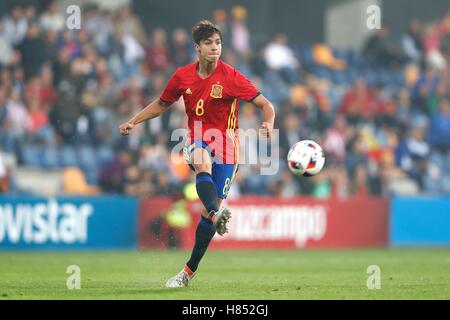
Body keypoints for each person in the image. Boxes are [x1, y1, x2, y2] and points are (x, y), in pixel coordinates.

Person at [119, 20, 275, 287]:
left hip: (228, 146)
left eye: (218, 43)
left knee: (206, 214)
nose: (215, 48)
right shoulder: (182, 76)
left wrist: (268, 122)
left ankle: (188, 272)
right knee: (201, 162)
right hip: (198, 137)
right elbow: (161, 104)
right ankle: (217, 214)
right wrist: (134, 120)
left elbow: (266, 104)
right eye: (208, 43)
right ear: (197, 48)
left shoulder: (232, 76)